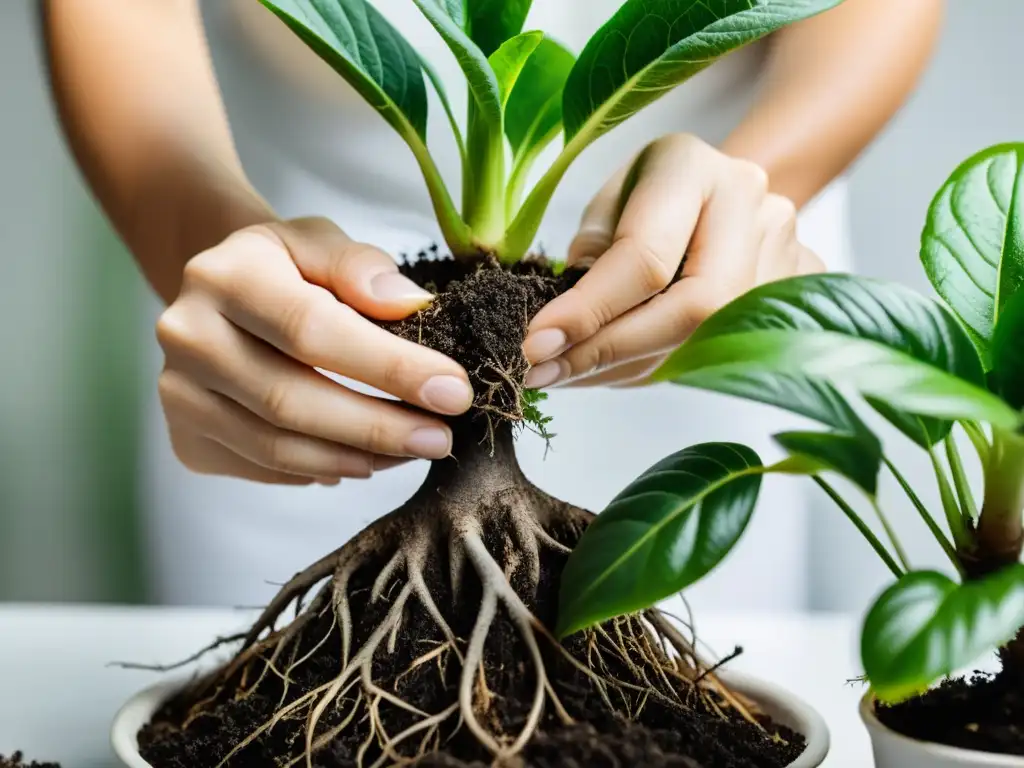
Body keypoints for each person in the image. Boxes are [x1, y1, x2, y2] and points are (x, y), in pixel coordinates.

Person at [40, 0, 943, 613]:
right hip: (305, 300)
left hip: (700, 262)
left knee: (673, 660)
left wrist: (753, 192)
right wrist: (207, 245)